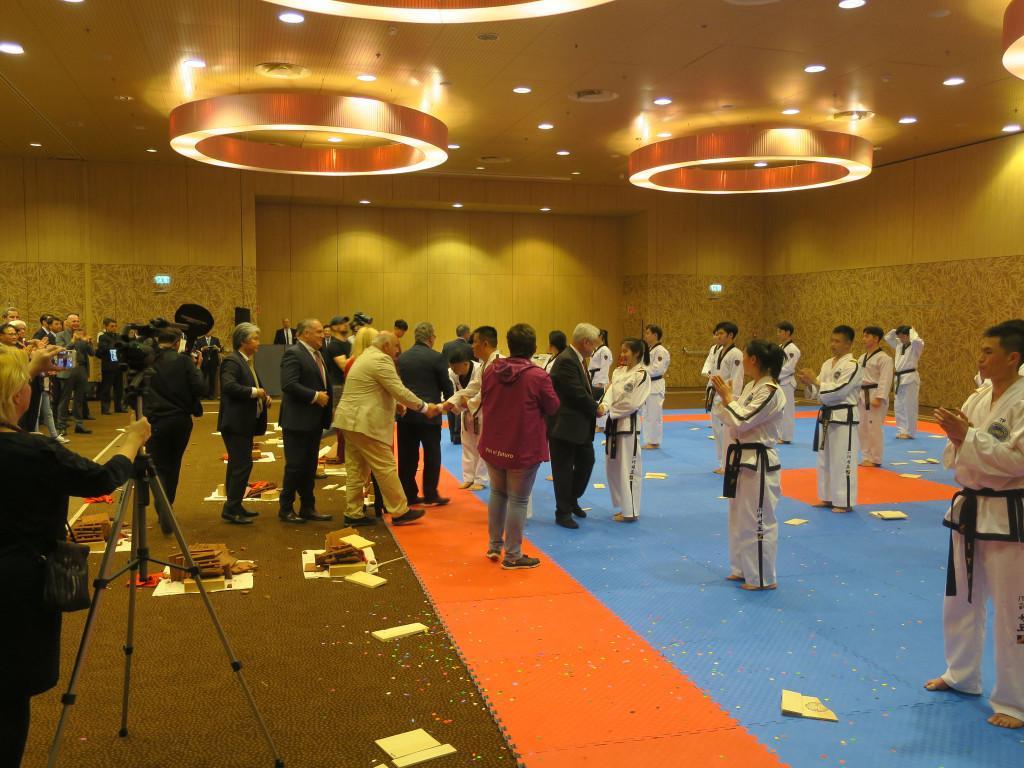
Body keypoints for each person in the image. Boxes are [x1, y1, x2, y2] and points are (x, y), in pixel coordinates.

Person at [0, 346, 151, 767]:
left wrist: (28, 370)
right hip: (17, 587)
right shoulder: (37, 452)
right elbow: (100, 478)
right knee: (8, 696)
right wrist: (132, 441)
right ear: (18, 395)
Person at [924, 319, 1024, 730]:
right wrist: (957, 437)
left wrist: (967, 437)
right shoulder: (979, 397)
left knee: (1012, 608)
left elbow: (1018, 462)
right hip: (969, 507)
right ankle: (962, 674)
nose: (979, 358)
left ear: (1013, 357)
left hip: (1007, 513)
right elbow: (957, 455)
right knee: (961, 598)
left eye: (988, 351)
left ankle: (1015, 700)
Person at [479, 323, 560, 569]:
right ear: (534, 348)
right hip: (522, 447)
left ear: (509, 345)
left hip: (493, 444)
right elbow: (553, 407)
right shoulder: (538, 376)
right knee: (518, 500)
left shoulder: (490, 371)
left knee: (497, 493)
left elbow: (485, 399)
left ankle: (495, 546)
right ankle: (513, 555)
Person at [333, 331, 433, 527]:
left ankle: (353, 513)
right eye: (396, 345)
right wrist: (425, 407)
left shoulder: (365, 357)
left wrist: (395, 404)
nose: (398, 350)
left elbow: (374, 389)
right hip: (364, 423)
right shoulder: (381, 359)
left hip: (349, 421)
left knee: (356, 470)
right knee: (385, 466)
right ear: (386, 345)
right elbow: (399, 390)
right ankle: (399, 511)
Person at [712, 339, 786, 590]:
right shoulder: (753, 386)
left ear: (754, 359)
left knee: (758, 519)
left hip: (759, 461)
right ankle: (743, 569)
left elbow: (743, 420)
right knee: (738, 517)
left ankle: (762, 578)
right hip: (741, 458)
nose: (742, 360)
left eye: (744, 356)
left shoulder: (771, 390)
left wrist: (729, 399)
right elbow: (732, 418)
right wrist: (726, 400)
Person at [798, 325, 863, 513]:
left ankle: (844, 501)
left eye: (837, 341)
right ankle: (827, 497)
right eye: (831, 340)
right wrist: (809, 384)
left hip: (844, 418)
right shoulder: (827, 363)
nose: (832, 344)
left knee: (843, 460)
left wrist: (816, 382)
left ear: (848, 344)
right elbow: (816, 391)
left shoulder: (853, 365)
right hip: (827, 415)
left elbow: (840, 390)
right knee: (825, 459)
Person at [277, 318, 334, 523]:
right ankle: (285, 508)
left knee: (309, 466)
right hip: (297, 420)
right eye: (318, 332)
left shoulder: (317, 354)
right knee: (295, 466)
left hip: (314, 420)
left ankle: (308, 507)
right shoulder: (294, 353)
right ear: (305, 334)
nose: (323, 335)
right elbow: (288, 384)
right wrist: (315, 396)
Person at [547, 322, 603, 529]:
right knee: (563, 470)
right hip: (563, 426)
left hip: (578, 425)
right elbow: (577, 393)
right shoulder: (567, 360)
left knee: (587, 462)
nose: (595, 348)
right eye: (594, 344)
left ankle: (571, 499)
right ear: (585, 342)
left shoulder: (577, 359)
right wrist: (596, 408)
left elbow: (583, 388)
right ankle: (562, 513)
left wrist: (607, 391)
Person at [142, 327, 205, 507]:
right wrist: (197, 368)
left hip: (154, 420)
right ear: (177, 342)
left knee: (157, 466)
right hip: (180, 421)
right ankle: (167, 506)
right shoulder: (184, 361)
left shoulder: (147, 360)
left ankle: (162, 505)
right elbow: (200, 388)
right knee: (173, 465)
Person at [396, 322, 454, 506]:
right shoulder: (437, 357)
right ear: (431, 337)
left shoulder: (402, 357)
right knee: (432, 455)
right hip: (430, 412)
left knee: (407, 457)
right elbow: (446, 385)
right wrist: (449, 404)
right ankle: (430, 494)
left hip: (407, 413)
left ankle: (409, 494)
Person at [218, 322, 272, 524]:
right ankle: (231, 508)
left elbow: (254, 386)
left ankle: (235, 504)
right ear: (242, 341)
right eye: (255, 339)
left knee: (237, 465)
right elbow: (229, 386)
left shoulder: (245, 361)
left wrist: (263, 396)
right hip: (236, 423)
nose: (258, 342)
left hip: (244, 422)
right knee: (242, 465)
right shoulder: (232, 361)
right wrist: (255, 392)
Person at [599, 337, 651, 522]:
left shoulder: (641, 375)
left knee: (628, 468)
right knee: (613, 468)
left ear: (636, 353)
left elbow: (633, 403)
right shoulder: (618, 372)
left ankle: (631, 512)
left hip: (628, 425)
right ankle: (624, 506)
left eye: (626, 351)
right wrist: (603, 407)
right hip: (613, 424)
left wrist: (610, 411)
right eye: (621, 351)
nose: (622, 355)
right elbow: (610, 393)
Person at [704, 322, 744, 472]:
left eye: (720, 333)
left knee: (726, 432)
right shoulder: (718, 351)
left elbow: (737, 379)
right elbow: (713, 374)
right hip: (715, 395)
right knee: (717, 431)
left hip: (727, 397)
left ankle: (729, 464)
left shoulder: (736, 354)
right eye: (717, 333)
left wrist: (733, 400)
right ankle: (722, 463)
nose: (717, 336)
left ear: (730, 335)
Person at [448, 348, 487, 490]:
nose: (454, 371)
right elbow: (454, 392)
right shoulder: (451, 373)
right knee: (467, 444)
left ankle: (480, 480)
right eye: (452, 367)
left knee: (481, 445)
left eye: (456, 368)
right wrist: (452, 404)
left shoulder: (479, 369)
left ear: (465, 364)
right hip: (465, 410)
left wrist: (467, 402)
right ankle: (469, 478)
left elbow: (480, 391)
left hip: (480, 410)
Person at [857, 326, 894, 467]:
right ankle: (866, 456)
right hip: (862, 395)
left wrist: (879, 397)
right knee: (862, 427)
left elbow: (885, 380)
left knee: (874, 428)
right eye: (863, 336)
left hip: (875, 395)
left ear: (876, 338)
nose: (863, 339)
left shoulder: (884, 359)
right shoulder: (862, 357)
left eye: (867, 336)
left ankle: (876, 458)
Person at [54, 313, 94, 437]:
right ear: (67, 322)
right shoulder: (61, 335)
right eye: (73, 321)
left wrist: (88, 343)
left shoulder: (83, 333)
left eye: (77, 321)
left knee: (79, 399)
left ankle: (79, 425)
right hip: (67, 368)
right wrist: (73, 341)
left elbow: (92, 353)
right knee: (65, 399)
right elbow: (61, 351)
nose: (76, 323)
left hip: (81, 368)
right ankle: (61, 426)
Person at [884, 325, 924, 439]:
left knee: (909, 405)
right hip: (899, 377)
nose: (900, 339)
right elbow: (888, 337)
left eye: (902, 336)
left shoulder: (916, 346)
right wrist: (896, 330)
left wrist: (912, 330)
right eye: (899, 336)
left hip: (910, 377)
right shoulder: (899, 345)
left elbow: (916, 340)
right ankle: (902, 430)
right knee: (899, 405)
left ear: (908, 335)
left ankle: (910, 432)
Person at [441, 324, 474, 444]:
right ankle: (459, 434)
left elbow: (443, 363)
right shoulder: (470, 347)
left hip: (451, 377)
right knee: (459, 403)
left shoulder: (447, 345)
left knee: (452, 402)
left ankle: (453, 434)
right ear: (466, 334)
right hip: (465, 377)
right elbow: (473, 364)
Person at [640, 324, 670, 449]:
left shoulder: (661, 351)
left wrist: (642, 370)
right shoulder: (649, 349)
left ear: (655, 335)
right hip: (647, 384)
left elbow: (658, 369)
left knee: (654, 415)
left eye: (648, 333)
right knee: (646, 414)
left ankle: (655, 442)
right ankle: (649, 441)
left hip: (655, 385)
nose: (645, 335)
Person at [775, 321, 801, 444]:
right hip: (779, 381)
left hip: (786, 382)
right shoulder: (780, 347)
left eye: (780, 331)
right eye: (778, 331)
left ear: (788, 333)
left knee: (787, 411)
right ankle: (779, 434)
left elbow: (789, 368)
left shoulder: (792, 349)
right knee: (778, 409)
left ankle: (786, 437)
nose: (778, 333)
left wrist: (773, 373)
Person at [96, 318, 126, 414]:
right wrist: (116, 346)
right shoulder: (103, 337)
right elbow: (103, 349)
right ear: (106, 326)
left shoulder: (118, 336)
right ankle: (105, 409)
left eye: (116, 326)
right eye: (112, 326)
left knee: (119, 388)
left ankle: (118, 407)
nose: (114, 328)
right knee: (106, 388)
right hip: (108, 366)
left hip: (118, 365)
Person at [589, 329, 614, 432]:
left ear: (601, 337)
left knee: (601, 402)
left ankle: (602, 426)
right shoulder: (596, 350)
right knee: (595, 402)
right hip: (594, 377)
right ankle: (597, 424)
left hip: (600, 379)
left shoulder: (605, 350)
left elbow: (605, 368)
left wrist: (600, 383)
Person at [196, 328, 222, 399]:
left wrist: (217, 348)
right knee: (202, 379)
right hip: (203, 362)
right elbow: (197, 350)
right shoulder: (200, 340)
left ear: (211, 331)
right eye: (207, 330)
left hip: (213, 362)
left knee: (212, 379)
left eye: (209, 330)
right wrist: (202, 349)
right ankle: (201, 394)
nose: (208, 331)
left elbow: (220, 350)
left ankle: (211, 395)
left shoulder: (215, 340)